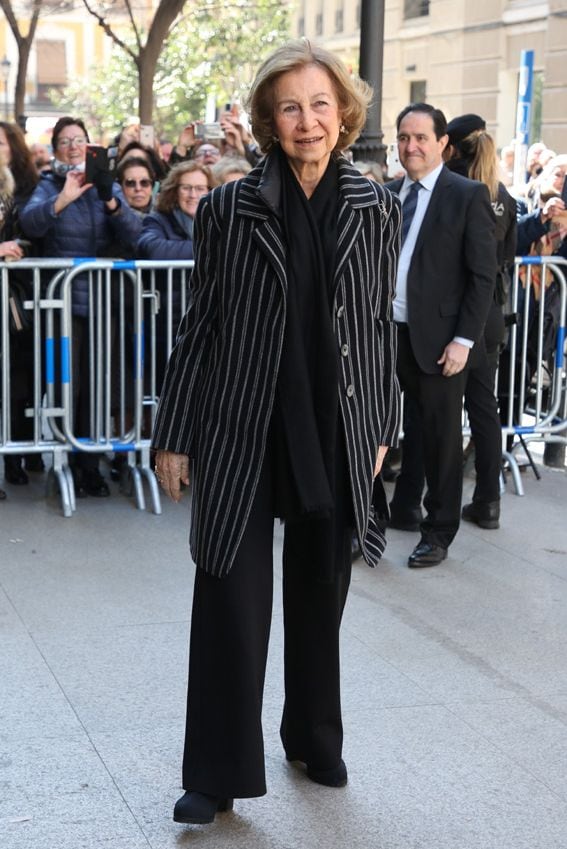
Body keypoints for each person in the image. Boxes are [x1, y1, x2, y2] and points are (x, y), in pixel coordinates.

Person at [152, 40, 401, 825]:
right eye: (289, 106)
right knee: (229, 588)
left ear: (343, 115)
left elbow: (375, 327)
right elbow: (201, 325)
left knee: (321, 587)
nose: (306, 120)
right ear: (267, 117)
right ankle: (217, 770)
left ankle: (311, 735)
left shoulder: (375, 206)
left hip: (335, 422)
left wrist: (382, 421)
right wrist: (174, 431)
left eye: (320, 104)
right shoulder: (228, 207)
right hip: (241, 421)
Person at [387, 103, 496, 567]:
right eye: (404, 138)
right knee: (375, 429)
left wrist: (463, 341)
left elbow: (483, 277)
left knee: (439, 441)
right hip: (386, 333)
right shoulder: (388, 194)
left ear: (442, 145)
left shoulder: (466, 195)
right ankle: (379, 517)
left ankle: (439, 530)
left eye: (421, 139)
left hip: (440, 343)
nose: (411, 147)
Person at [20, 116, 142, 498]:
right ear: (55, 149)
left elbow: (137, 234)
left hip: (102, 301)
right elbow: (30, 224)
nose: (73, 147)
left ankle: (91, 465)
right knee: (68, 386)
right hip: (63, 305)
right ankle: (69, 460)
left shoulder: (105, 185)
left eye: (80, 140)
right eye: (65, 141)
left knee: (97, 385)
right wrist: (62, 200)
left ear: (91, 147)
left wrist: (109, 199)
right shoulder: (48, 183)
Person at [444, 114, 516, 528]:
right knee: (484, 408)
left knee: (446, 412)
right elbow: (505, 256)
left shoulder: (452, 187)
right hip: (490, 314)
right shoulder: (502, 194)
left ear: (450, 145)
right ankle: (489, 500)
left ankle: (441, 502)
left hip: (458, 315)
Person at [0, 121, 40, 489]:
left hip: (16, 298)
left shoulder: (27, 189)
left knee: (19, 378)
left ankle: (18, 455)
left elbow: (34, 233)